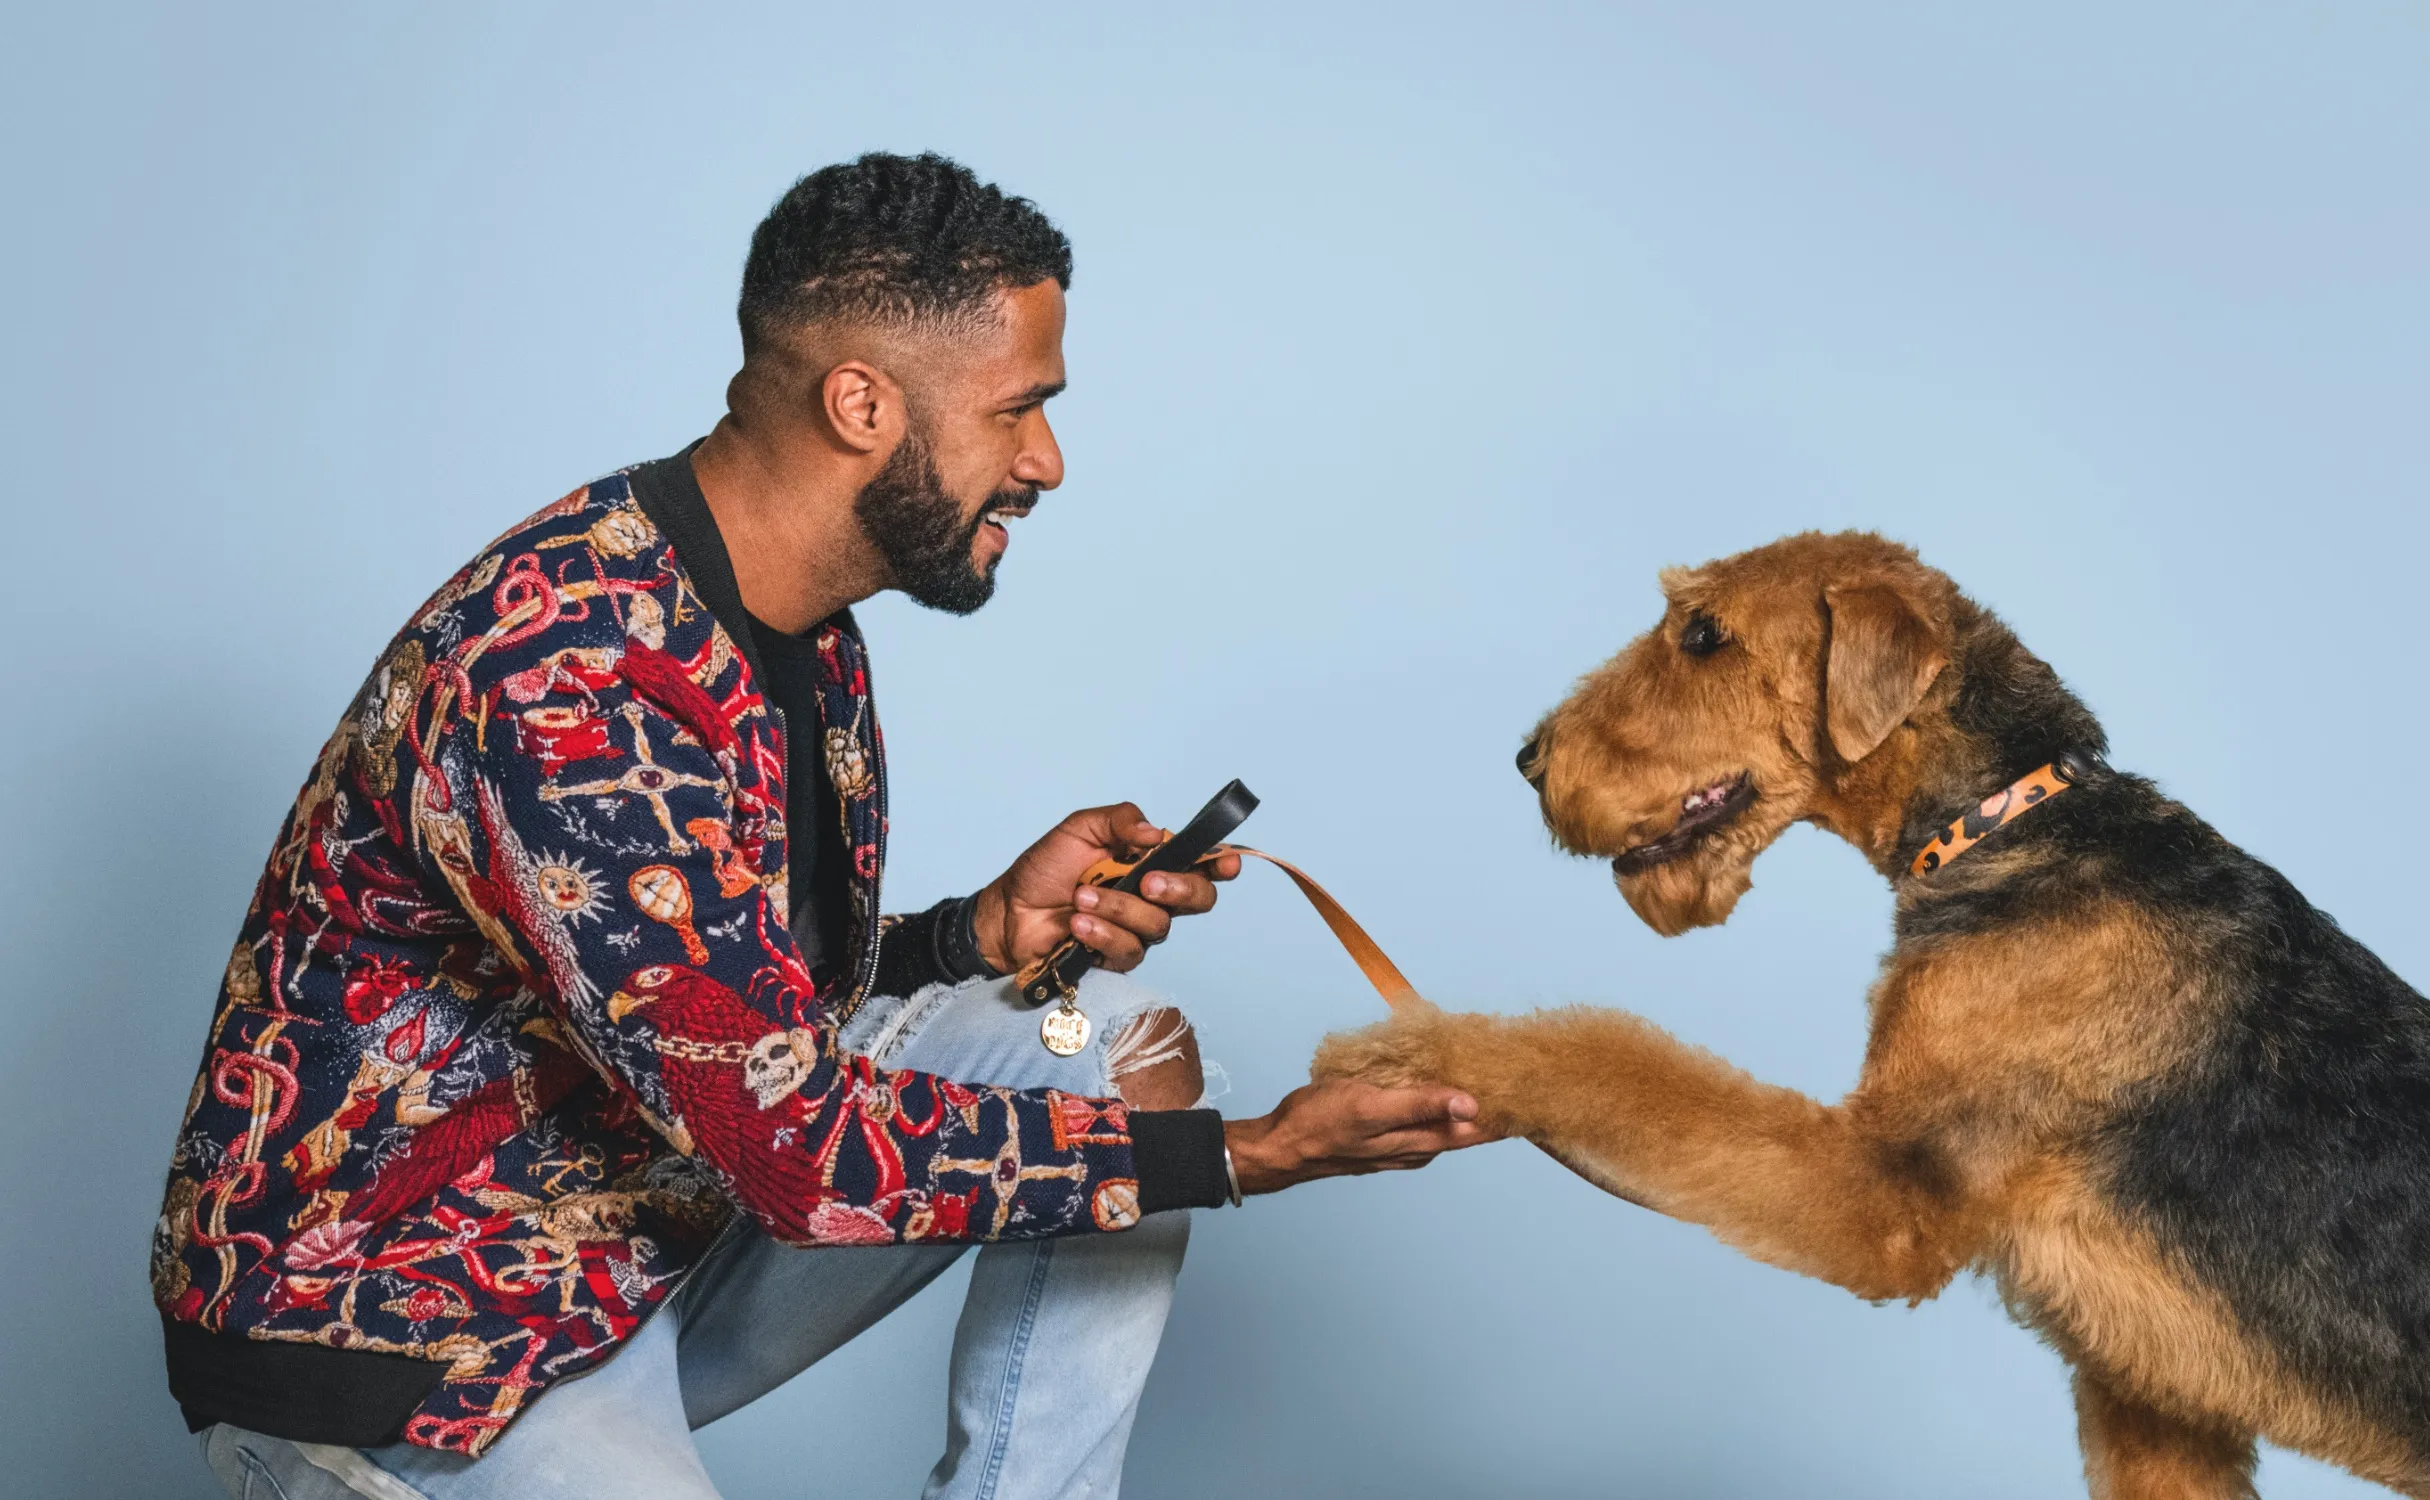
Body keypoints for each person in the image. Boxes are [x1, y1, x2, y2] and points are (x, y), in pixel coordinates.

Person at [156, 151, 1497, 1500]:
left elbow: (720, 1006)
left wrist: (970, 937)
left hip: (633, 1247)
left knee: (1111, 1048)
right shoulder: (566, 673)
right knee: (1154, 1152)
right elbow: (788, 1143)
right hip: (412, 1352)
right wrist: (1246, 1156)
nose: (1049, 461)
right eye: (1019, 408)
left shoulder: (804, 631)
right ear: (861, 403)